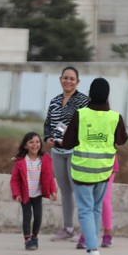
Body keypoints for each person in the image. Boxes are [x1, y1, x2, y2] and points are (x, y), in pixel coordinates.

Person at [61, 78, 128, 255]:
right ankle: (95, 245)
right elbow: (122, 139)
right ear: (107, 95)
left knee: (85, 210)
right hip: (104, 171)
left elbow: (67, 143)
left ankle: (92, 249)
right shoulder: (115, 117)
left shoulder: (80, 115)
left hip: (83, 170)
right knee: (97, 208)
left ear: (90, 93)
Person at [43, 65, 89, 241]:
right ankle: (68, 228)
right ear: (60, 79)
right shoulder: (54, 101)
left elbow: (87, 126)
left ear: (77, 82)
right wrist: (47, 137)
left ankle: (85, 231)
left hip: (75, 151)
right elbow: (48, 123)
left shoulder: (84, 102)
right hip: (57, 151)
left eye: (72, 78)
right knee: (65, 190)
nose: (68, 81)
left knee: (79, 190)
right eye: (65, 78)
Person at [10, 132, 57, 250]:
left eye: (37, 142)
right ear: (25, 146)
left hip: (38, 194)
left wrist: (53, 191)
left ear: (40, 144)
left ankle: (34, 237)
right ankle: (27, 240)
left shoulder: (45, 159)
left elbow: (50, 177)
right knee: (27, 216)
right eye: (31, 142)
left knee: (38, 216)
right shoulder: (20, 161)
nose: (34, 145)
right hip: (25, 194)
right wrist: (17, 193)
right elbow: (14, 180)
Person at [77, 155, 118, 249]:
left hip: (106, 165)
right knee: (88, 203)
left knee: (104, 200)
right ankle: (86, 235)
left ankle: (107, 234)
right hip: (87, 165)